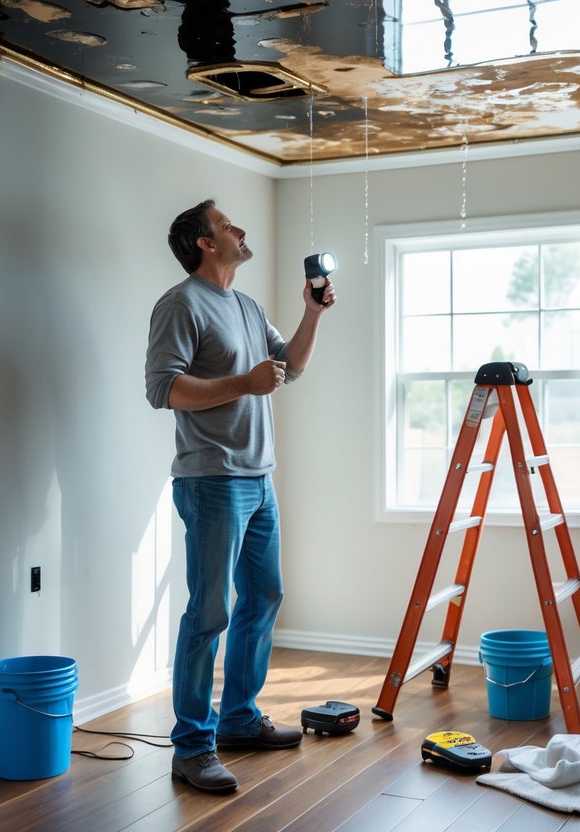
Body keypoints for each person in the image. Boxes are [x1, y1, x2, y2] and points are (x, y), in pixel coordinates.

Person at [144, 199, 335, 793]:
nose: (240, 230)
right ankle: (192, 746)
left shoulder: (247, 307)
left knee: (263, 596)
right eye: (227, 224)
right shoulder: (179, 304)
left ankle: (240, 720)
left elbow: (290, 368)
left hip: (259, 477)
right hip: (212, 479)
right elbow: (162, 388)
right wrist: (243, 384)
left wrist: (312, 313)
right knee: (209, 612)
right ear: (203, 242)